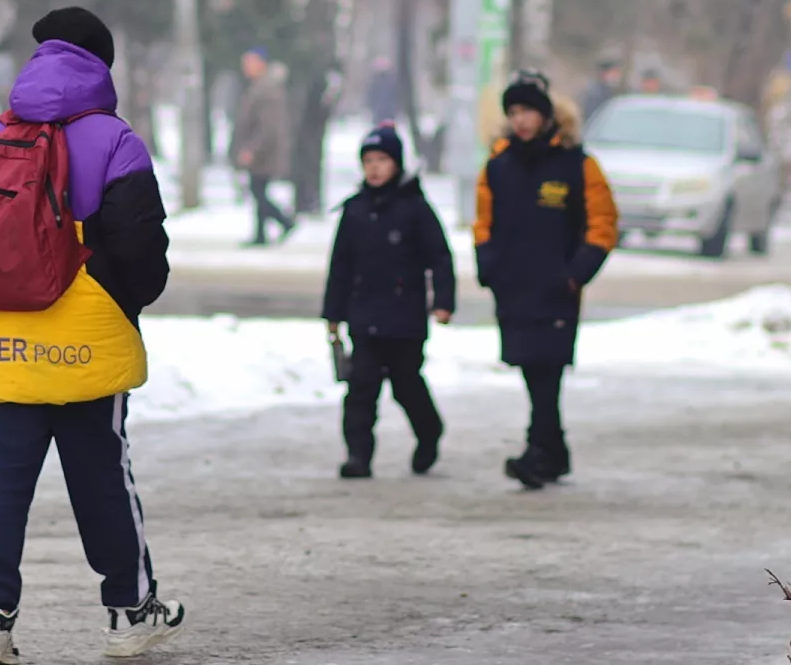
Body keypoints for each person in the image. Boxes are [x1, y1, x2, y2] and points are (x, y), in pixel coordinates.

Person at [0, 7, 182, 664]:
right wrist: (113, 300)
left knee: (4, 480)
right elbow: (144, 256)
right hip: (88, 335)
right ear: (101, 65)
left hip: (8, 338)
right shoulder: (116, 141)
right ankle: (129, 611)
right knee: (102, 472)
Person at [473, 71, 618, 489]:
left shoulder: (577, 164)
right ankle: (554, 451)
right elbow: (484, 222)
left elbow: (603, 223)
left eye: (529, 111)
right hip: (514, 287)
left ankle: (539, 452)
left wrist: (576, 274)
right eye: (514, 112)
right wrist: (490, 267)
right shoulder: (498, 166)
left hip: (556, 288)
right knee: (530, 368)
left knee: (546, 370)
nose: (521, 120)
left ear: (546, 115)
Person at [322, 124, 455, 479]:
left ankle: (429, 432)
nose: (375, 168)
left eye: (382, 160)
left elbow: (440, 257)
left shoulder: (415, 209)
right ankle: (358, 455)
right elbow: (341, 266)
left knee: (407, 384)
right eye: (368, 161)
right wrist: (333, 314)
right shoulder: (354, 211)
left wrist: (443, 301)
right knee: (360, 389)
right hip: (364, 317)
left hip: (406, 318)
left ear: (397, 163)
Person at [232, 47, 294, 246]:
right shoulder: (259, 86)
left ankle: (285, 221)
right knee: (258, 190)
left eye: (249, 62)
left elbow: (268, 126)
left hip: (265, 152)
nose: (246, 67)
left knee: (258, 191)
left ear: (261, 63)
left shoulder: (267, 89)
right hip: (262, 150)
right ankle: (261, 234)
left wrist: (252, 149)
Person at [578, 59, 623, 124]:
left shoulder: (609, 91)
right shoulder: (594, 94)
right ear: (603, 74)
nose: (617, 76)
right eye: (614, 72)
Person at [365, 56, 401, 126]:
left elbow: (396, 95)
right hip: (379, 112)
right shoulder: (374, 81)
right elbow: (370, 96)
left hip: (388, 111)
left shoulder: (392, 80)